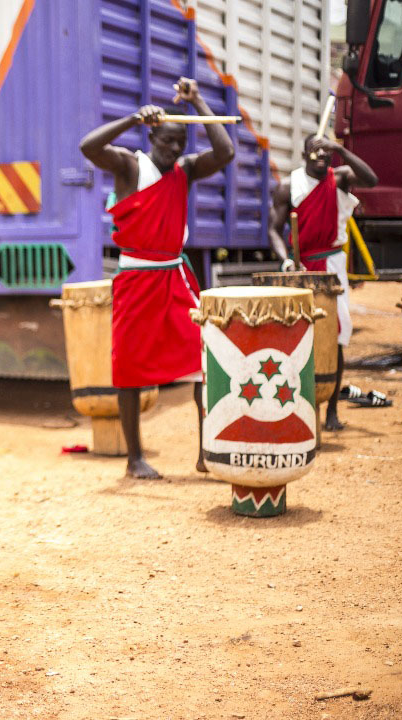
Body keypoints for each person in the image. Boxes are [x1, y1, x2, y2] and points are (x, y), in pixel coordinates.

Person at [80, 77, 235, 479]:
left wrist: (197, 101)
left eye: (180, 142)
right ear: (152, 136)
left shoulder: (186, 169)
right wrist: (132, 118)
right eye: (167, 141)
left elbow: (226, 151)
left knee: (202, 361)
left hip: (175, 278)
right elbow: (88, 147)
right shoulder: (130, 165)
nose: (174, 149)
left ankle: (206, 451)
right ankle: (134, 459)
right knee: (129, 368)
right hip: (135, 280)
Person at [268, 134, 378, 430]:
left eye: (326, 151)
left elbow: (371, 179)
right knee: (295, 334)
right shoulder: (289, 186)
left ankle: (332, 410)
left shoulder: (339, 178)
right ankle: (293, 407)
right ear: (304, 154)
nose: (321, 156)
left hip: (332, 265)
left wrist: (340, 148)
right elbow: (274, 229)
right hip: (300, 267)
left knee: (336, 333)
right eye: (315, 150)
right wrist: (287, 260)